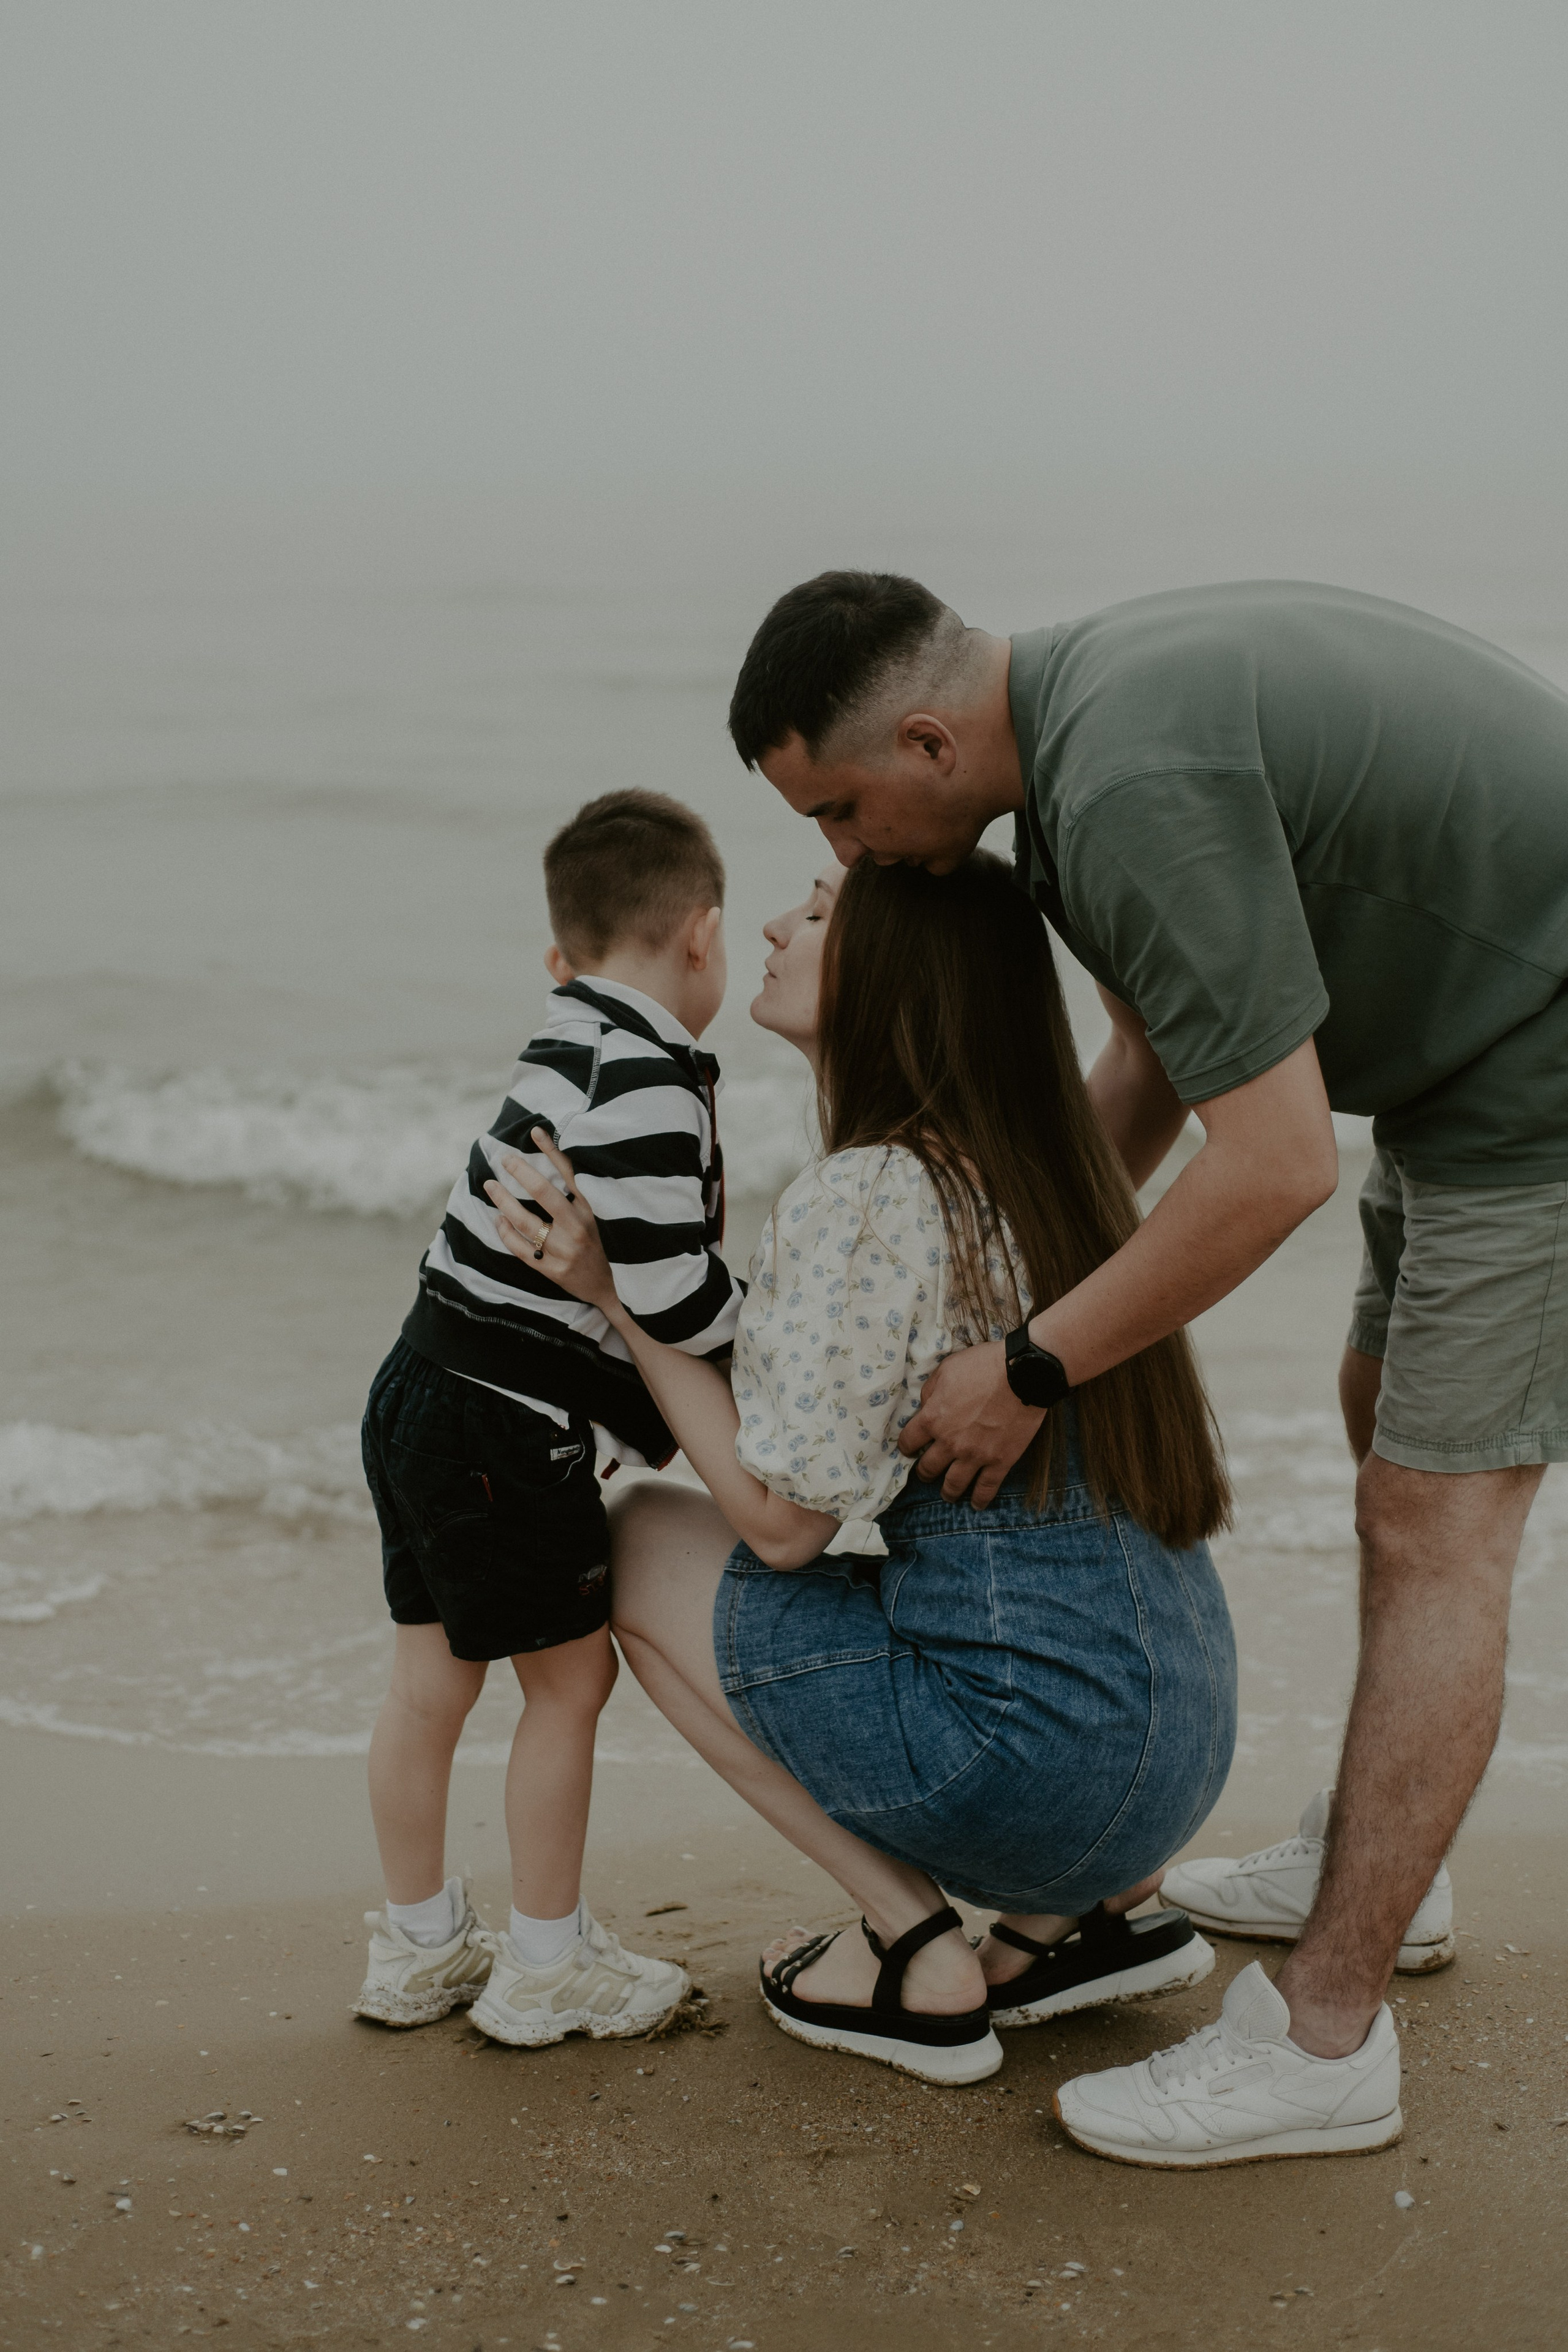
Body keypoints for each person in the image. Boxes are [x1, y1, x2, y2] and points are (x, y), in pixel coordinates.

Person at [726, 569, 1568, 2164]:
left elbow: (1274, 1166)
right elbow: (1158, 1067)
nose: (839, 859)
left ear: (920, 740)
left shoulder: (1122, 783)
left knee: (1438, 1524)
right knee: (1381, 1424)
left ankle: (1326, 2038)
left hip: (1543, 1068)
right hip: (1481, 1056)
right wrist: (976, 1270)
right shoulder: (1073, 752)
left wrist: (1029, 1366)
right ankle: (1379, 1857)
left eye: (839, 813)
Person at [485, 850, 1236, 2089]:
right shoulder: (1059, 1169)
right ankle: (1078, 1921)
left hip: (1032, 1783)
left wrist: (615, 1303)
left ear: (900, 972)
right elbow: (1139, 1051)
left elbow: (780, 1528)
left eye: (820, 910)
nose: (775, 925)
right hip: (1177, 1764)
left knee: (633, 1541)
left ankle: (915, 1944)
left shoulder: (871, 1197)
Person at [355, 789, 745, 2048]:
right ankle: (543, 1962)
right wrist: (771, 1329)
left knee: (428, 1683)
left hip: (418, 1383)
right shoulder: (646, 1080)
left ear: (557, 957)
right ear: (703, 935)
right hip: (501, 1424)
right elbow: (678, 1296)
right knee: (568, 1684)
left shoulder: (563, 1036)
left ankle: (415, 1946)